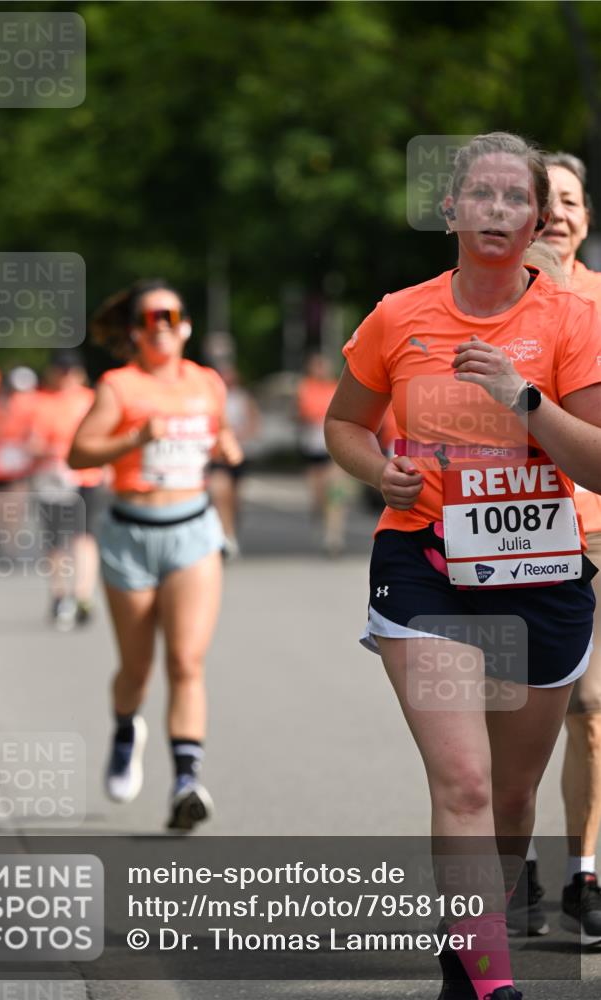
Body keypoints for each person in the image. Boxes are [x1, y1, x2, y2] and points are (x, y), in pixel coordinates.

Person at [325, 132, 601, 1000]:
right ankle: (490, 983)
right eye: (478, 196)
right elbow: (344, 424)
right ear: (449, 210)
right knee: (465, 780)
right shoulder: (399, 315)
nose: (496, 212)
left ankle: (464, 948)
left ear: (537, 218)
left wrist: (521, 401)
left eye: (514, 198)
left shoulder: (572, 321)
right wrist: (381, 470)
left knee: (512, 800)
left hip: (544, 576)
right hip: (424, 564)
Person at [69, 279, 242, 831]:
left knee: (186, 662)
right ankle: (126, 729)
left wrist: (227, 447)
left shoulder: (206, 382)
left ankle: (186, 781)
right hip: (130, 534)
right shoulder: (119, 387)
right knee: (137, 668)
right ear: (135, 331)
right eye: (149, 318)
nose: (160, 326)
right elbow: (77, 452)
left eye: (170, 315)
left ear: (185, 325)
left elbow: (221, 437)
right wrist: (134, 439)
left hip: (192, 530)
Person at [510, 153, 601, 944]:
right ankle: (513, 863)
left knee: (592, 712)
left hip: (596, 525)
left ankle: (583, 873)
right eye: (545, 203)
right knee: (514, 714)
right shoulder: (492, 300)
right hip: (507, 531)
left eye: (570, 201)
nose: (558, 216)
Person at [32, 351, 106, 631]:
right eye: (62, 371)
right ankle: (60, 594)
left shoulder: (92, 399)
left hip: (86, 477)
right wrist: (51, 452)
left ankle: (83, 594)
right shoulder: (43, 403)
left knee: (84, 536)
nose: (67, 377)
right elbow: (33, 442)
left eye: (71, 371)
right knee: (56, 541)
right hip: (54, 479)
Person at [297, 352, 351, 555]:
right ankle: (320, 516)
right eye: (316, 366)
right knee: (318, 497)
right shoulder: (305, 388)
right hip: (313, 450)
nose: (321, 370)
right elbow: (300, 414)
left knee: (336, 493)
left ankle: (334, 537)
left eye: (323, 365)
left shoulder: (336, 388)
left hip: (334, 451)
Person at [207, 362, 261, 559]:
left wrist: (240, 435)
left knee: (234, 498)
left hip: (239, 453)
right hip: (218, 456)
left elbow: (254, 423)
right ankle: (226, 537)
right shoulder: (212, 398)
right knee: (221, 492)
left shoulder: (243, 398)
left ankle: (230, 528)